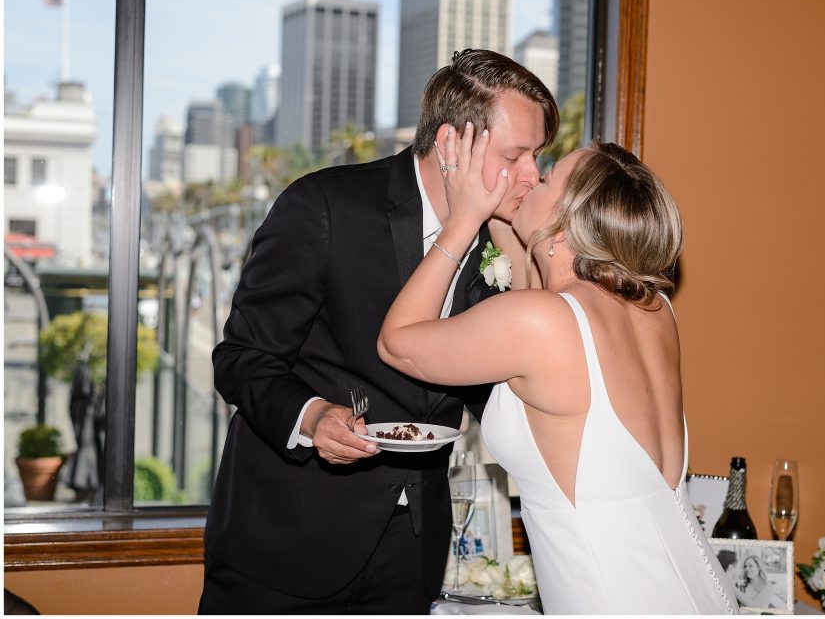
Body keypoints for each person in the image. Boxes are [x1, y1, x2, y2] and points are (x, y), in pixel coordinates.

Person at [200, 50, 558, 614]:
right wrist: (311, 416)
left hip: (413, 545)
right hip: (286, 538)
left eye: (538, 156)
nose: (535, 176)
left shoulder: (498, 240)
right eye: (516, 155)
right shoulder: (324, 206)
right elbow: (240, 357)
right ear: (450, 146)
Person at [379, 136, 739, 614]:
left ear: (565, 228)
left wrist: (464, 221)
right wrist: (502, 215)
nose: (530, 179)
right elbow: (538, 301)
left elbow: (397, 342)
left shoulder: (542, 322)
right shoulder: (653, 310)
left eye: (545, 179)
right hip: (697, 591)